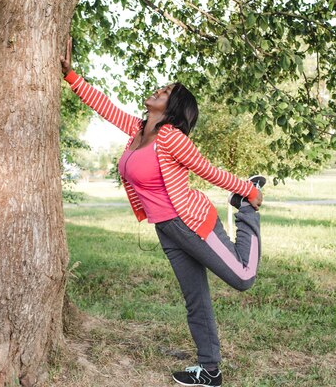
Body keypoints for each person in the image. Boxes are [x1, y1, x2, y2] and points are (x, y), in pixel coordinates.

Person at [60, 37, 264, 387]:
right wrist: (71, 76)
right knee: (195, 298)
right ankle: (210, 370)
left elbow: (206, 170)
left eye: (166, 91)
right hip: (166, 229)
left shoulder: (171, 137)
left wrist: (247, 190)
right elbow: (105, 108)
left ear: (174, 108)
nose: (158, 90)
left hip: (193, 222)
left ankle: (247, 211)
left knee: (243, 278)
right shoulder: (139, 132)